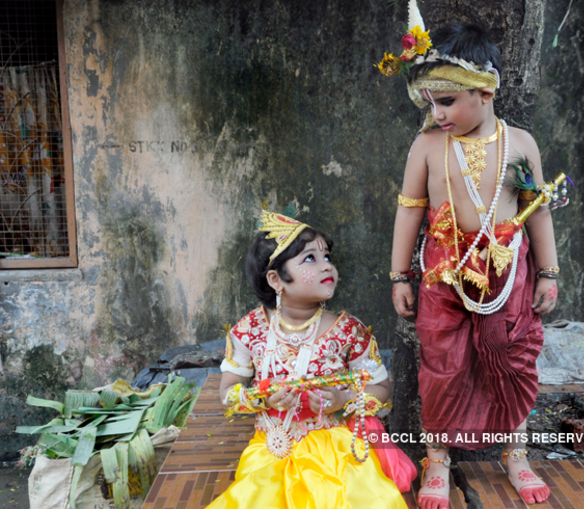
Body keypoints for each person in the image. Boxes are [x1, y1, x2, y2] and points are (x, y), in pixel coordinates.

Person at [378, 2, 559, 507]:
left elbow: (538, 212)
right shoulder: (428, 145)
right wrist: (399, 276)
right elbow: (409, 212)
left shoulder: (520, 144)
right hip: (444, 274)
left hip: (506, 274)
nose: (438, 114)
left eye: (448, 101)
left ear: (486, 92)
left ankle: (516, 454)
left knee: (511, 361)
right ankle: (437, 460)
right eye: (432, 103)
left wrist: (547, 271)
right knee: (443, 363)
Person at [206, 210, 415, 509]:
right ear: (276, 279)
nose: (326, 266)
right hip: (272, 452)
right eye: (309, 259)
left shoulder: (349, 332)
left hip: (337, 453)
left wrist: (343, 399)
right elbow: (228, 394)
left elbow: (383, 390)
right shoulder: (248, 331)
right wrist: (266, 399)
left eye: (327, 256)